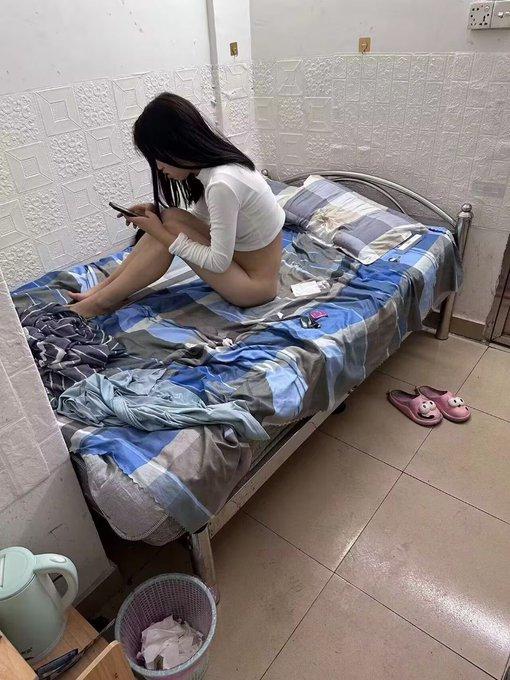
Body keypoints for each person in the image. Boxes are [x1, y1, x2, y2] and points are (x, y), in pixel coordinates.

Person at [70, 93, 285, 317]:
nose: (158, 167)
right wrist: (156, 216)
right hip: (241, 265)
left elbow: (218, 262)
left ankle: (100, 303)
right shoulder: (215, 170)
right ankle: (100, 292)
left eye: (157, 157)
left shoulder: (222, 184)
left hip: (253, 289)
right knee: (169, 217)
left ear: (176, 145)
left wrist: (160, 233)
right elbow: (199, 220)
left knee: (168, 227)